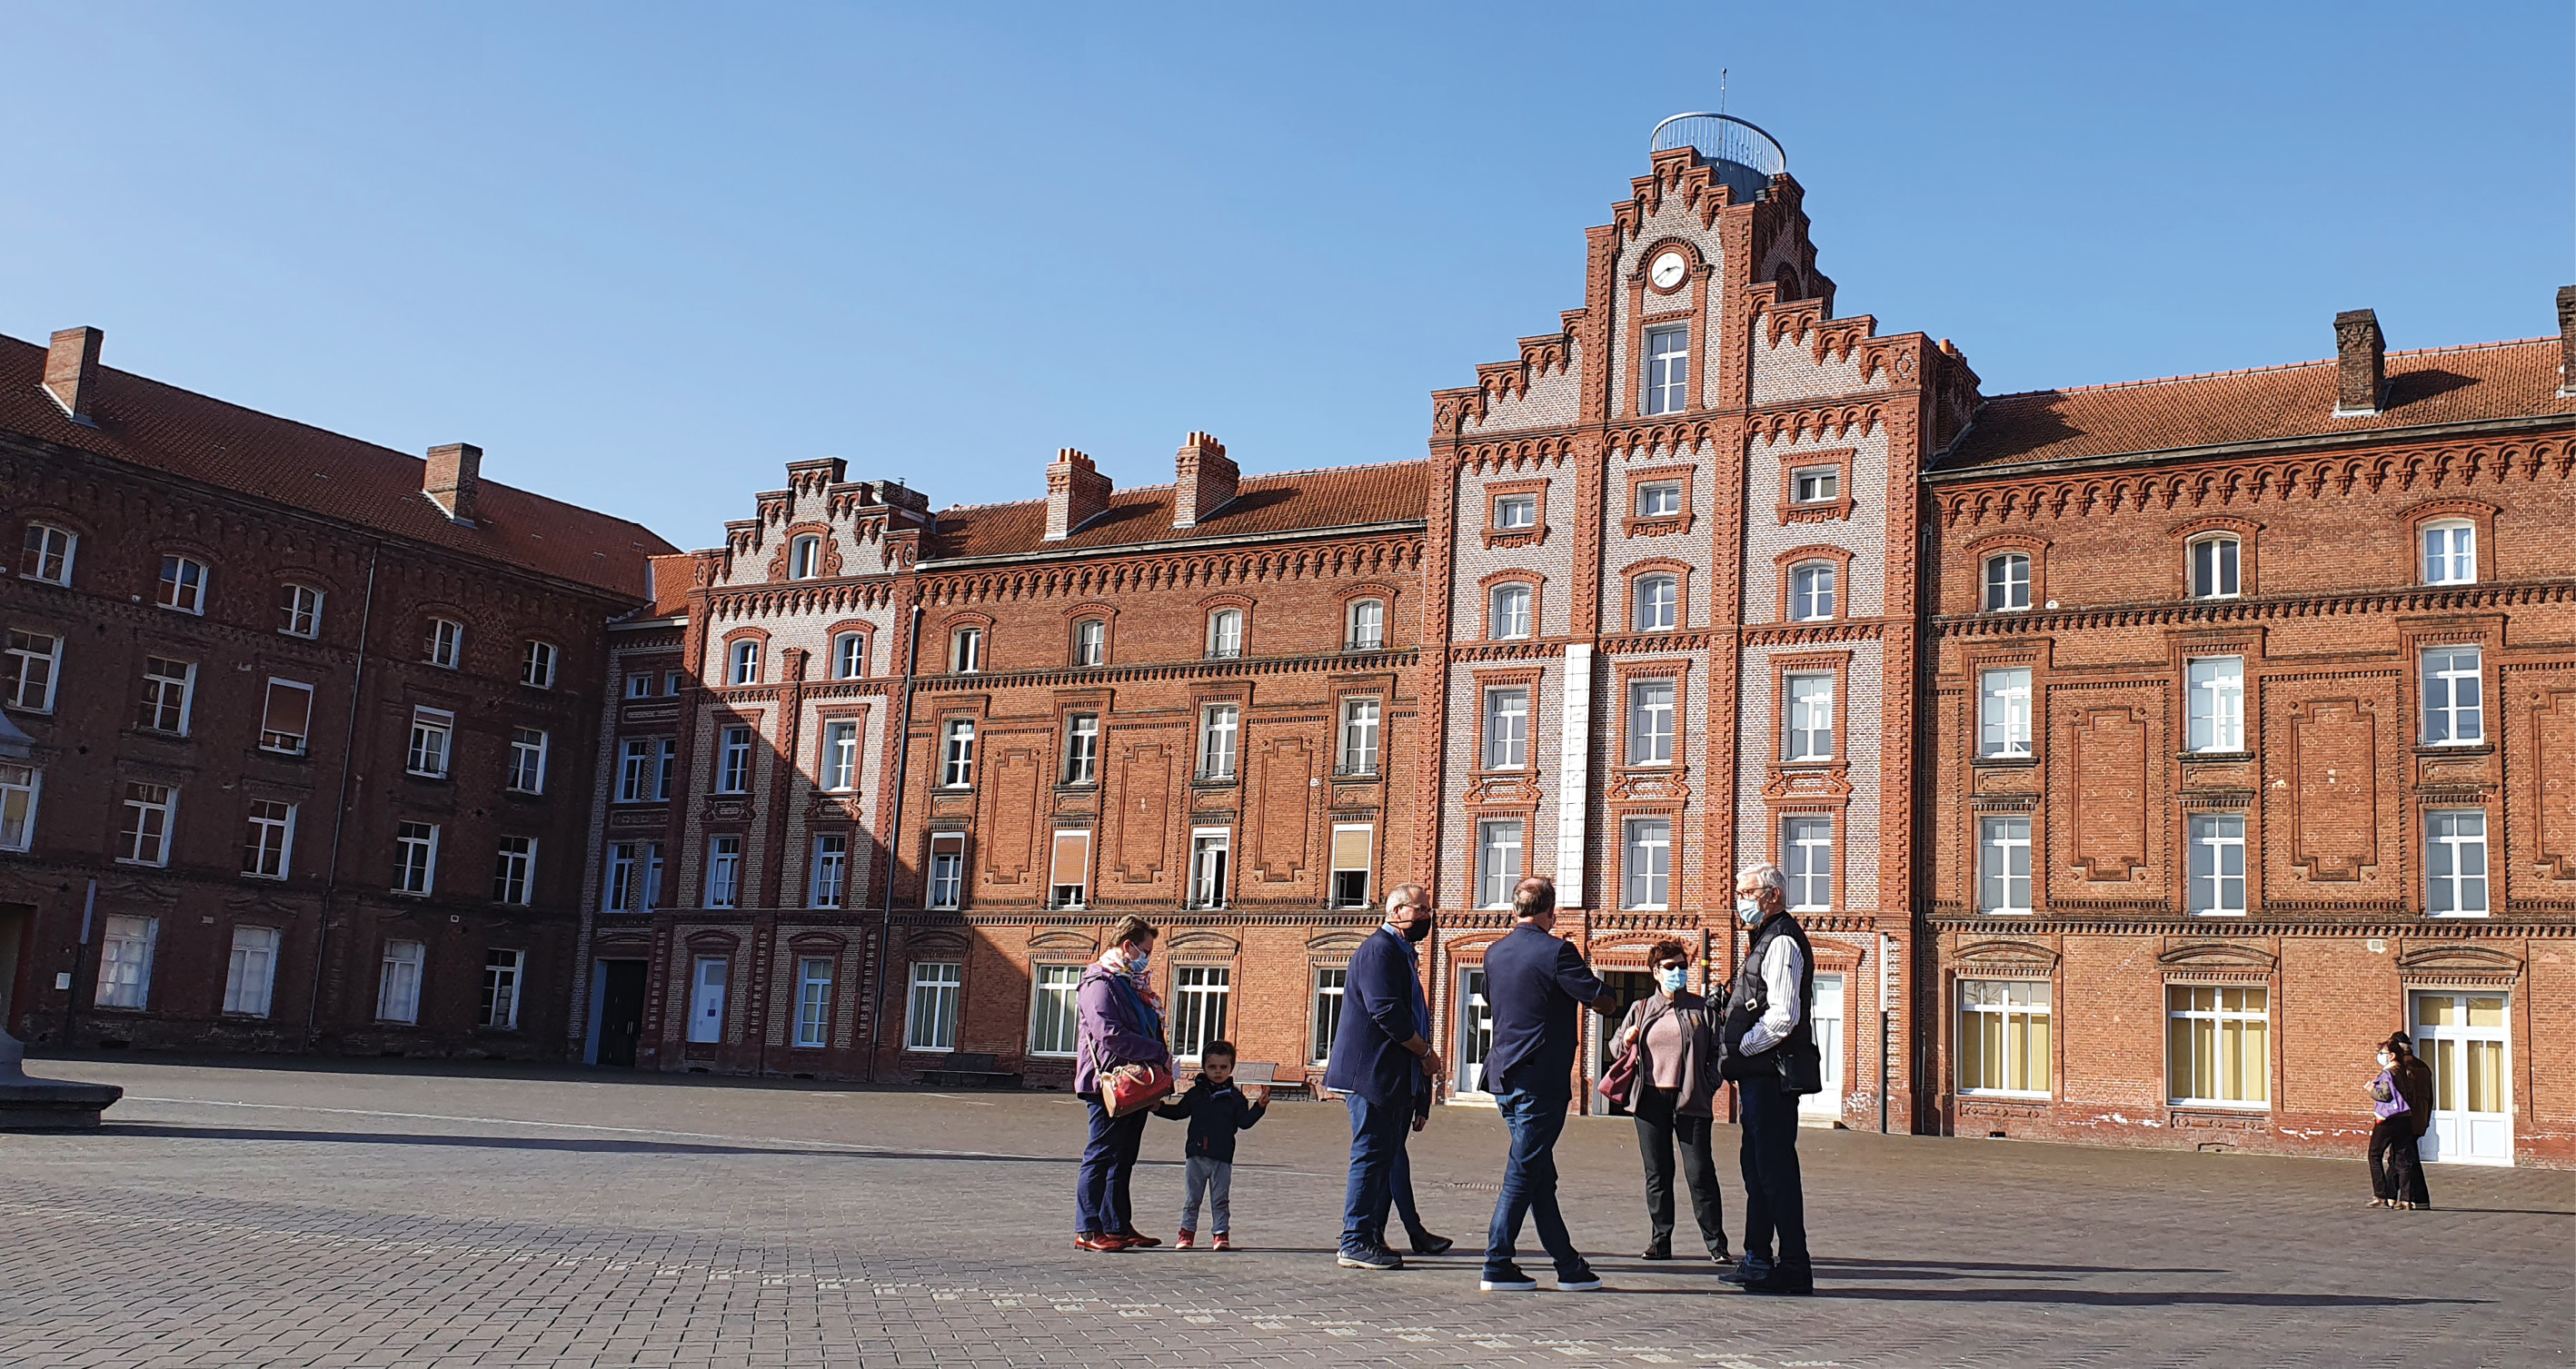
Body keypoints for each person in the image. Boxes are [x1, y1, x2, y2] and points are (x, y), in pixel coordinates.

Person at [1477, 876, 1614, 1294]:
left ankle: (1568, 1264)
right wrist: (1609, 995)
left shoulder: (1494, 952)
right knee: (1523, 1171)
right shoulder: (1558, 951)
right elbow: (1598, 998)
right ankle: (1497, 1262)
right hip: (1541, 1079)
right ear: (1551, 911)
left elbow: (1489, 996)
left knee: (1537, 1172)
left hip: (1503, 1075)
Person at [1324, 882, 1446, 1270]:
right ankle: (1354, 1239)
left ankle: (1372, 1236)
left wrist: (1421, 1090)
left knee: (1384, 1157)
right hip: (1370, 1074)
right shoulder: (1379, 949)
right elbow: (1387, 1013)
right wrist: (1425, 1053)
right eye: (1420, 909)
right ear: (1396, 913)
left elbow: (1415, 1017)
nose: (1427, 916)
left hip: (1393, 1078)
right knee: (1370, 1155)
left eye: (1428, 909)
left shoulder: (1402, 953)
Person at [1717, 862, 1817, 1295]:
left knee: (1774, 1171)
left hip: (1773, 1077)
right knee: (1755, 1170)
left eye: (1748, 893)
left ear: (1773, 895)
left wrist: (1742, 1049)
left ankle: (1794, 1264)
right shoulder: (1762, 941)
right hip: (1759, 1078)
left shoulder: (1782, 943)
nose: (1741, 902)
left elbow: (1783, 1017)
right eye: (1738, 893)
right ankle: (1757, 1258)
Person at [1614, 937, 1733, 1265]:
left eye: (1682, 966)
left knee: (1700, 1173)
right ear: (1655, 972)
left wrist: (1708, 1084)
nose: (1678, 972)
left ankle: (1716, 1244)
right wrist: (1626, 1040)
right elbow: (1616, 1048)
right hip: (1650, 1100)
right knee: (1658, 1173)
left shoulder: (1702, 1009)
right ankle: (1660, 1240)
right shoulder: (1640, 1009)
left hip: (1691, 1100)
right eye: (1670, 967)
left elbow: (1718, 1053)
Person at [1073, 915, 1170, 1252]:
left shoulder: (1131, 982)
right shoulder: (1099, 982)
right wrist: (1157, 1051)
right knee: (1100, 1155)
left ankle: (1117, 1225)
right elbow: (1108, 1034)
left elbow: (1145, 1026)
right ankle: (1087, 1229)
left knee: (1124, 1157)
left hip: (1137, 1084)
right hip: (1108, 1085)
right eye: (1145, 950)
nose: (1148, 957)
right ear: (1127, 946)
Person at [1158, 1038, 1268, 1249]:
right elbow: (1179, 1112)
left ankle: (1221, 1234)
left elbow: (1243, 1123)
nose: (1218, 1072)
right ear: (1204, 1067)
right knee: (1192, 1199)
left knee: (1220, 1199)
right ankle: (1186, 1234)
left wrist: (1259, 1108)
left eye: (1223, 1067)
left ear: (1231, 1068)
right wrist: (1158, 1108)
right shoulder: (1195, 1093)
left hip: (1222, 1157)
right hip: (1196, 1155)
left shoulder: (1235, 1097)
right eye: (1212, 1067)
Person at [2370, 1032, 2436, 1210]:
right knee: (2405, 1158)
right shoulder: (2423, 1066)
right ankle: (2410, 1198)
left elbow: (2395, 1095)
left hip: (2402, 1117)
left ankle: (2394, 1196)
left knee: (2401, 1159)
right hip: (2418, 1118)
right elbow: (2429, 1097)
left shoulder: (2399, 1068)